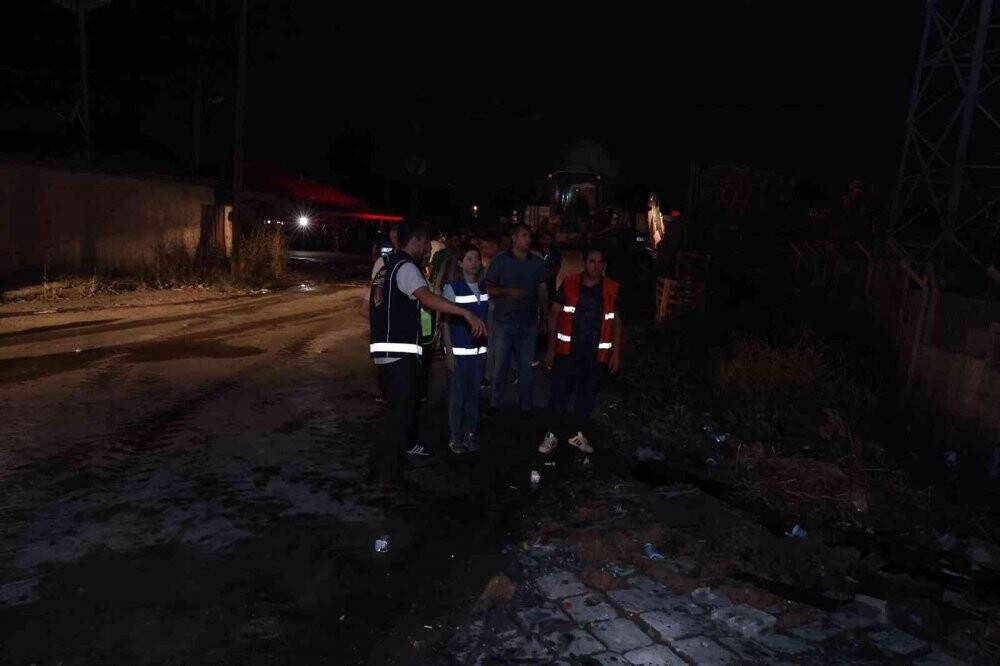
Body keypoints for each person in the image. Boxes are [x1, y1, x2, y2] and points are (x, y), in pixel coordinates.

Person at [363, 223, 486, 489]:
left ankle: (379, 469)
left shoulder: (386, 266)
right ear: (416, 242)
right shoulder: (407, 267)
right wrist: (464, 312)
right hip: (399, 353)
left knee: (396, 413)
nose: (429, 248)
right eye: (426, 243)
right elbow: (427, 298)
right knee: (402, 416)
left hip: (385, 351)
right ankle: (389, 477)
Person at [539, 247, 622, 455]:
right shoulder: (569, 283)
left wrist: (616, 353)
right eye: (592, 261)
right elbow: (554, 314)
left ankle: (577, 435)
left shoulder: (612, 288)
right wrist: (550, 349)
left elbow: (617, 323)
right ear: (584, 263)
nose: (596, 266)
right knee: (559, 395)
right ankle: (551, 435)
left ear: (604, 264)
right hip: (567, 352)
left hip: (596, 355)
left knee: (587, 396)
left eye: (599, 262)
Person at [485, 223, 548, 417]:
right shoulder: (500, 261)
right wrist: (507, 291)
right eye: (524, 236)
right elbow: (488, 289)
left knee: (525, 366)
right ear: (514, 238)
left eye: (529, 236)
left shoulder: (537, 262)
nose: (528, 239)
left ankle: (526, 406)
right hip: (504, 322)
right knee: (500, 365)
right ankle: (495, 403)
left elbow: (542, 290)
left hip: (528, 322)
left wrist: (545, 317)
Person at [441, 244, 489, 454]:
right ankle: (455, 437)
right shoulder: (452, 288)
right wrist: (449, 352)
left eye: (477, 259)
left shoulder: (484, 288)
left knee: (474, 396)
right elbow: (444, 322)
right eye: (469, 259)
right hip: (460, 353)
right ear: (460, 263)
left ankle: (471, 434)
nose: (474, 263)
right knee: (458, 396)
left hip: (479, 353)